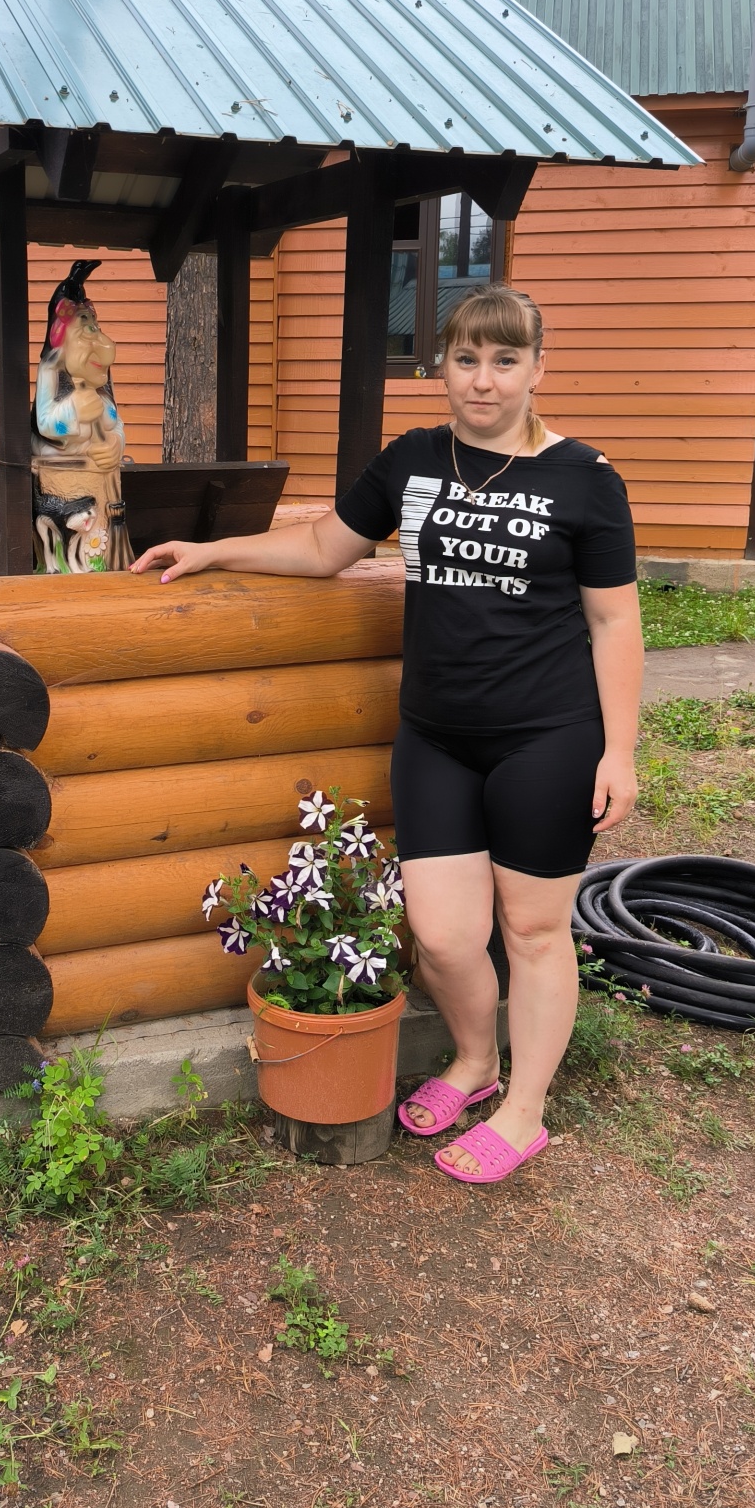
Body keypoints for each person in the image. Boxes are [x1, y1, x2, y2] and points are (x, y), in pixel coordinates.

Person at [130, 285, 642, 1185]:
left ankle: (525, 1110)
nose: (484, 382)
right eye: (467, 360)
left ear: (537, 368)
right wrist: (214, 551)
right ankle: (476, 1064)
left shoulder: (587, 481)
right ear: (440, 366)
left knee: (532, 928)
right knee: (442, 935)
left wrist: (620, 750)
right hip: (436, 736)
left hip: (548, 736)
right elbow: (327, 547)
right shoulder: (413, 459)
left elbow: (613, 622)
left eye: (505, 360)